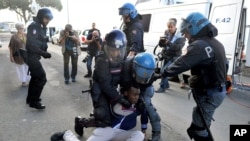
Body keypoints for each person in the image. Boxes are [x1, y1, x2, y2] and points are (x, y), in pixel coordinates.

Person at [161, 12, 227, 141]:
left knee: (199, 129)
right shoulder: (215, 43)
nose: (185, 35)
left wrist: (163, 73)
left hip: (211, 93)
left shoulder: (200, 45)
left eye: (186, 32)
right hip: (215, 91)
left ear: (194, 28)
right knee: (199, 122)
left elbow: (182, 63)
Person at [75, 29, 130, 134]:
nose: (116, 53)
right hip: (100, 90)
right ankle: (81, 122)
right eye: (112, 50)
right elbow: (105, 84)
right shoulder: (101, 61)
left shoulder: (122, 59)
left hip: (112, 90)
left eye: (118, 50)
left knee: (116, 114)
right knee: (104, 119)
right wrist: (120, 99)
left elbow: (124, 78)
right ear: (106, 48)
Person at [51, 83, 148, 141]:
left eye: (138, 95)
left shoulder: (138, 104)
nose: (137, 97)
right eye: (134, 95)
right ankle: (66, 134)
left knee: (139, 135)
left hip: (120, 132)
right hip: (107, 130)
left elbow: (144, 113)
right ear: (126, 93)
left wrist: (144, 129)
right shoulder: (115, 101)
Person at [121, 52, 161, 141]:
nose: (142, 80)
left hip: (144, 87)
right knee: (123, 103)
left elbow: (144, 85)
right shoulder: (125, 68)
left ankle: (156, 133)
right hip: (129, 85)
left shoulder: (149, 74)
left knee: (146, 104)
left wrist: (140, 100)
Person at [25, 8, 53, 110]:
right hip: (32, 56)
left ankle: (30, 98)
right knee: (41, 78)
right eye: (46, 18)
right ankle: (34, 101)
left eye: (49, 19)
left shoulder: (39, 26)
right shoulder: (34, 26)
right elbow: (31, 44)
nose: (47, 21)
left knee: (35, 78)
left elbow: (39, 39)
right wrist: (43, 53)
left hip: (34, 56)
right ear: (41, 17)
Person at [155, 18, 186, 93]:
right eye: (168, 27)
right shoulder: (167, 32)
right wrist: (161, 42)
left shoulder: (181, 35)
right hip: (166, 55)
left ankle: (162, 87)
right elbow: (162, 45)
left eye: (171, 27)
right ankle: (166, 85)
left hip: (174, 56)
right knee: (164, 71)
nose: (169, 29)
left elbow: (178, 48)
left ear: (175, 26)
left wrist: (168, 43)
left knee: (163, 71)